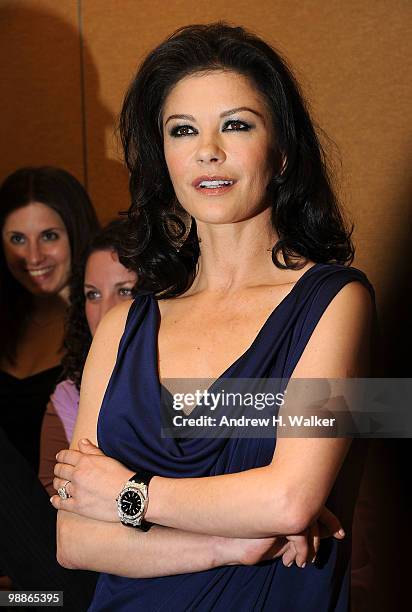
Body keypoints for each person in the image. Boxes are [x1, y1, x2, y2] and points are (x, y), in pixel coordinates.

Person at [52, 23, 375, 611]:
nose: (209, 150)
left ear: (280, 152)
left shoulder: (335, 301)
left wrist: (129, 496)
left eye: (236, 124)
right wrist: (229, 540)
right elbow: (73, 540)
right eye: (183, 130)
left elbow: (287, 503)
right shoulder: (124, 326)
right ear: (164, 158)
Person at [0, 166, 99, 472]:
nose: (33, 257)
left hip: (67, 508)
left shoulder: (106, 319)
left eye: (49, 236)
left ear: (76, 232)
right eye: (17, 239)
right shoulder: (6, 319)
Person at [39, 219, 138, 495]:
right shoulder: (68, 397)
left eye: (125, 291)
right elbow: (57, 506)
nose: (107, 310)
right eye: (93, 295)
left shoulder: (192, 379)